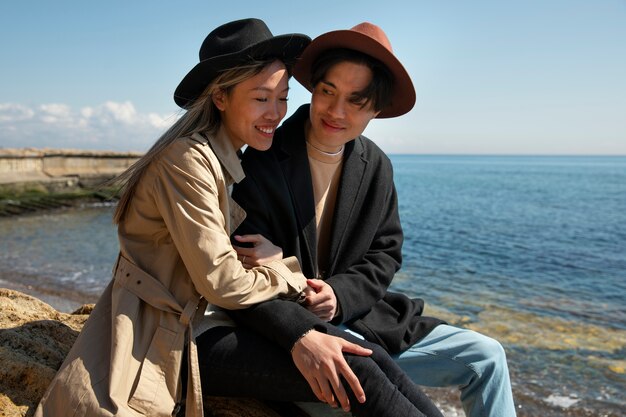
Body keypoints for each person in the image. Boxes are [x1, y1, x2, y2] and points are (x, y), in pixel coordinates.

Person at [34, 18, 442, 417]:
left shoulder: (227, 162)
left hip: (221, 321)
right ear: (221, 97)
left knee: (372, 360)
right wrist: (290, 273)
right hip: (180, 333)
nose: (277, 113)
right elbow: (224, 282)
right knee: (359, 371)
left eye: (282, 98)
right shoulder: (186, 162)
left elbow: (383, 252)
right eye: (261, 98)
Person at [231, 22, 518, 417]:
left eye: (356, 101)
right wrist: (297, 282)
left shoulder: (376, 164)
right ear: (313, 89)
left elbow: (385, 254)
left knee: (487, 356)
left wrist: (340, 295)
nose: (335, 111)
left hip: (367, 321)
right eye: (327, 92)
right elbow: (239, 272)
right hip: (297, 333)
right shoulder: (263, 157)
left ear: (377, 110)